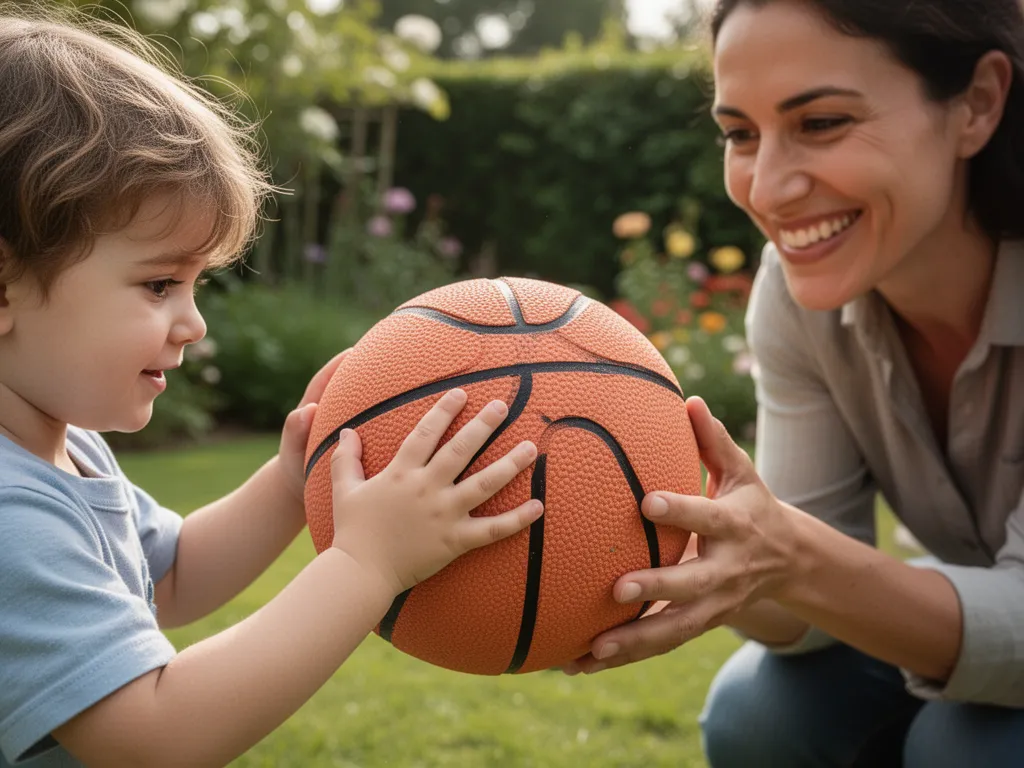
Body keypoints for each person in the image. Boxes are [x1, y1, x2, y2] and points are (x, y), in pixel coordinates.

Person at [0, 5, 542, 767]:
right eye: (158, 284)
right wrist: (367, 566)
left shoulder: (65, 452)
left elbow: (172, 574)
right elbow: (152, 736)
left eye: (195, 286)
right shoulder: (10, 513)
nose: (193, 324)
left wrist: (294, 477)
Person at [563, 0, 1024, 765]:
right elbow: (804, 610)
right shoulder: (795, 297)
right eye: (740, 135)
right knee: (760, 713)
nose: (768, 189)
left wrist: (793, 560)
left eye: (822, 123)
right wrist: (710, 559)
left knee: (965, 749)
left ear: (977, 104)